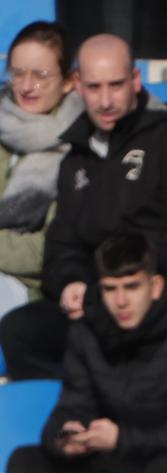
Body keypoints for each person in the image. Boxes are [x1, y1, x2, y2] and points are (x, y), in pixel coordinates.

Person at [0, 34, 167, 383]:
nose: (106, 100)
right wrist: (71, 283)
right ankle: (59, 428)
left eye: (116, 85)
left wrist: (116, 291)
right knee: (23, 329)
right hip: (102, 300)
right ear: (78, 85)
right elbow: (63, 243)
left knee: (125, 335)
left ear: (135, 81)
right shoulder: (77, 156)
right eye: (94, 87)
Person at [6, 232, 167, 473]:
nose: (121, 301)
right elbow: (72, 405)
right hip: (119, 456)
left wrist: (122, 439)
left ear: (156, 286)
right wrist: (65, 437)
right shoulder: (86, 334)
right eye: (110, 289)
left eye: (132, 287)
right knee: (27, 462)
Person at [0, 22, 82, 320]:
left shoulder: (80, 146)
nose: (25, 86)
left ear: (69, 81)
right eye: (18, 73)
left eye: (40, 75)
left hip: (25, 285)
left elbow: (45, 249)